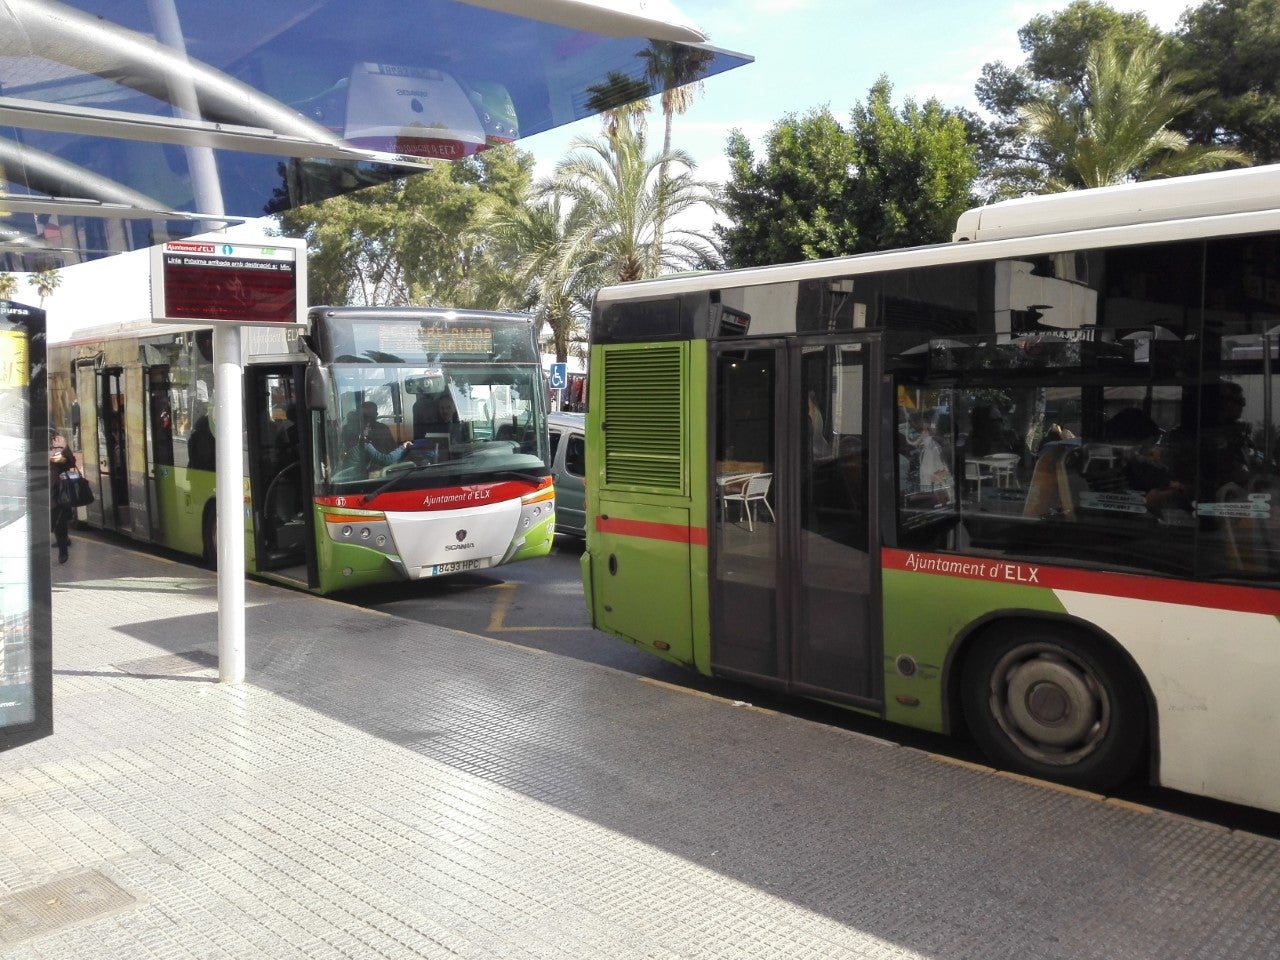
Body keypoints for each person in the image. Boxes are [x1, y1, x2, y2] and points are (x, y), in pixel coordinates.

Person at [49, 435, 77, 564]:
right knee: (53, 524)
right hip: (42, 495)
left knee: (59, 523)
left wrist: (64, 447)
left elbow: (70, 462)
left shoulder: (56, 456)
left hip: (57, 495)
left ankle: (63, 551)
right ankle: (63, 542)